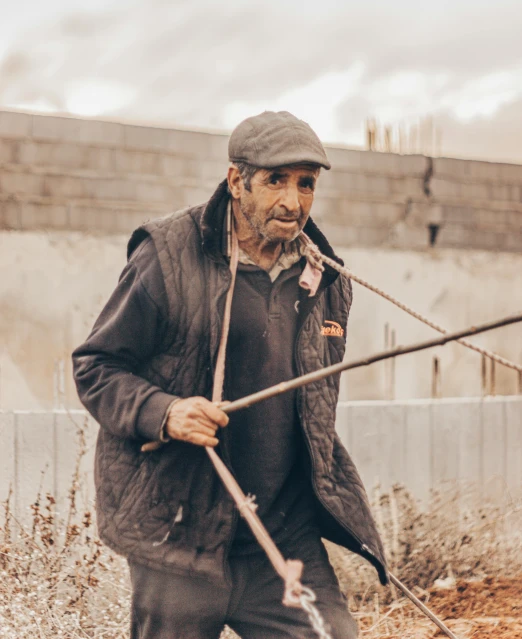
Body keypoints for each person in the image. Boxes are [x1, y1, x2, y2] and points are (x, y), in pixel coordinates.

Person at [73, 111, 386, 639]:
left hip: (283, 537)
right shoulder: (168, 256)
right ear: (237, 181)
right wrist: (165, 412)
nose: (293, 201)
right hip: (181, 535)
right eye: (276, 180)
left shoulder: (326, 279)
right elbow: (96, 367)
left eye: (306, 184)